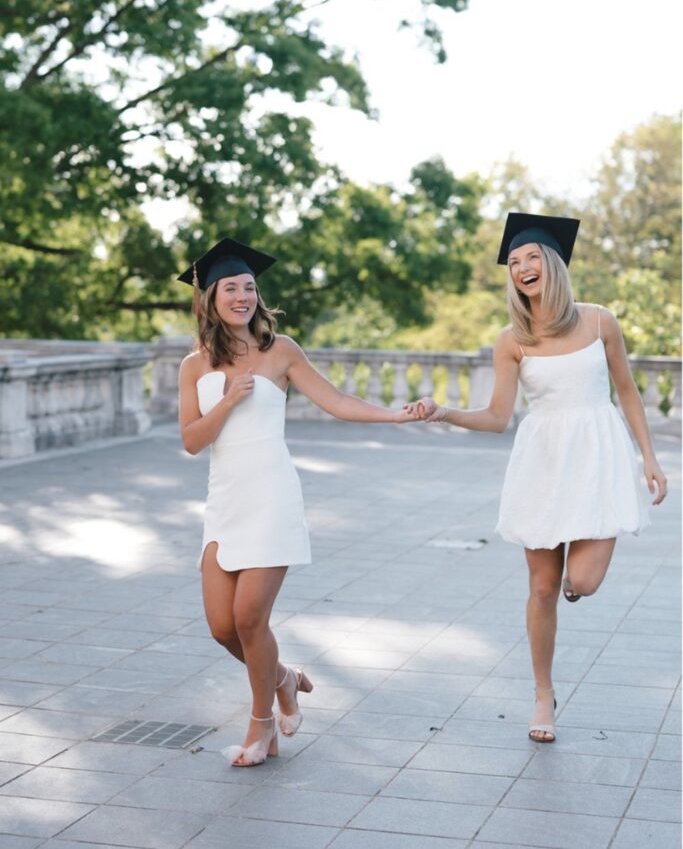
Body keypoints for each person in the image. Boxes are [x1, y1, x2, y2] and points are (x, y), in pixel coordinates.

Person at [408, 212, 667, 743]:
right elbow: (499, 417)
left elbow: (627, 392)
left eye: (532, 258)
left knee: (582, 582)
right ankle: (543, 695)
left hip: (598, 460)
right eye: (514, 262)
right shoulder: (513, 339)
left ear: (553, 265)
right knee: (542, 588)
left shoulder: (600, 322)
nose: (522, 267)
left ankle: (573, 584)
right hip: (544, 466)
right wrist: (446, 413)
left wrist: (649, 458)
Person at [177, 238, 413, 767]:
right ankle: (283, 678)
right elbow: (192, 440)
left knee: (249, 619)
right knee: (222, 627)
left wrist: (395, 415)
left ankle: (262, 728)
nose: (242, 296)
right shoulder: (194, 366)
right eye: (231, 288)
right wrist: (231, 398)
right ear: (210, 298)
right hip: (225, 501)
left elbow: (338, 401)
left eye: (250, 288)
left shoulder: (280, 351)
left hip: (272, 496)